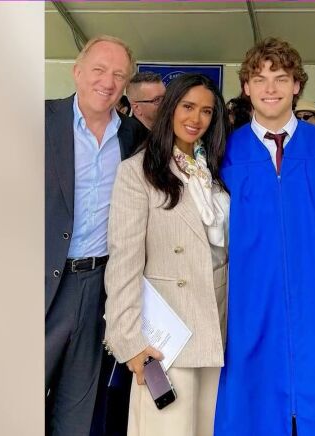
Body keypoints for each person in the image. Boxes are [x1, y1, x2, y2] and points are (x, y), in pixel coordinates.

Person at [215, 37, 315, 436]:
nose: (270, 88)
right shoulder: (226, 151)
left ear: (297, 85)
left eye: (281, 78)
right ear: (246, 87)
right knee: (250, 400)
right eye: (260, 79)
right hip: (249, 297)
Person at [104, 73, 230, 436]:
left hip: (216, 321)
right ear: (170, 107)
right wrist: (128, 340)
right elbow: (124, 262)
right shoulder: (137, 171)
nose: (196, 118)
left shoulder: (214, 170)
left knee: (206, 426)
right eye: (187, 107)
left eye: (206, 111)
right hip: (166, 330)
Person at [45, 35, 148, 436]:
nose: (107, 82)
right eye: (99, 70)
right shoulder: (38, 120)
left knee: (78, 408)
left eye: (118, 75)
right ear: (77, 71)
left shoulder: (134, 137)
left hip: (99, 287)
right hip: (38, 281)